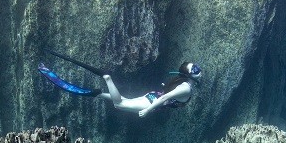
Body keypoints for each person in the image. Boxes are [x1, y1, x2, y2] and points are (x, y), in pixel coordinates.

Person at [38, 50, 202, 117]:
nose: (197, 69)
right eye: (194, 68)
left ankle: (99, 94)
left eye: (195, 67)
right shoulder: (186, 88)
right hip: (152, 101)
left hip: (152, 96)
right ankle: (107, 78)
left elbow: (166, 94)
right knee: (120, 104)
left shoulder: (185, 82)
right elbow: (165, 97)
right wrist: (147, 110)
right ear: (188, 75)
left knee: (121, 100)